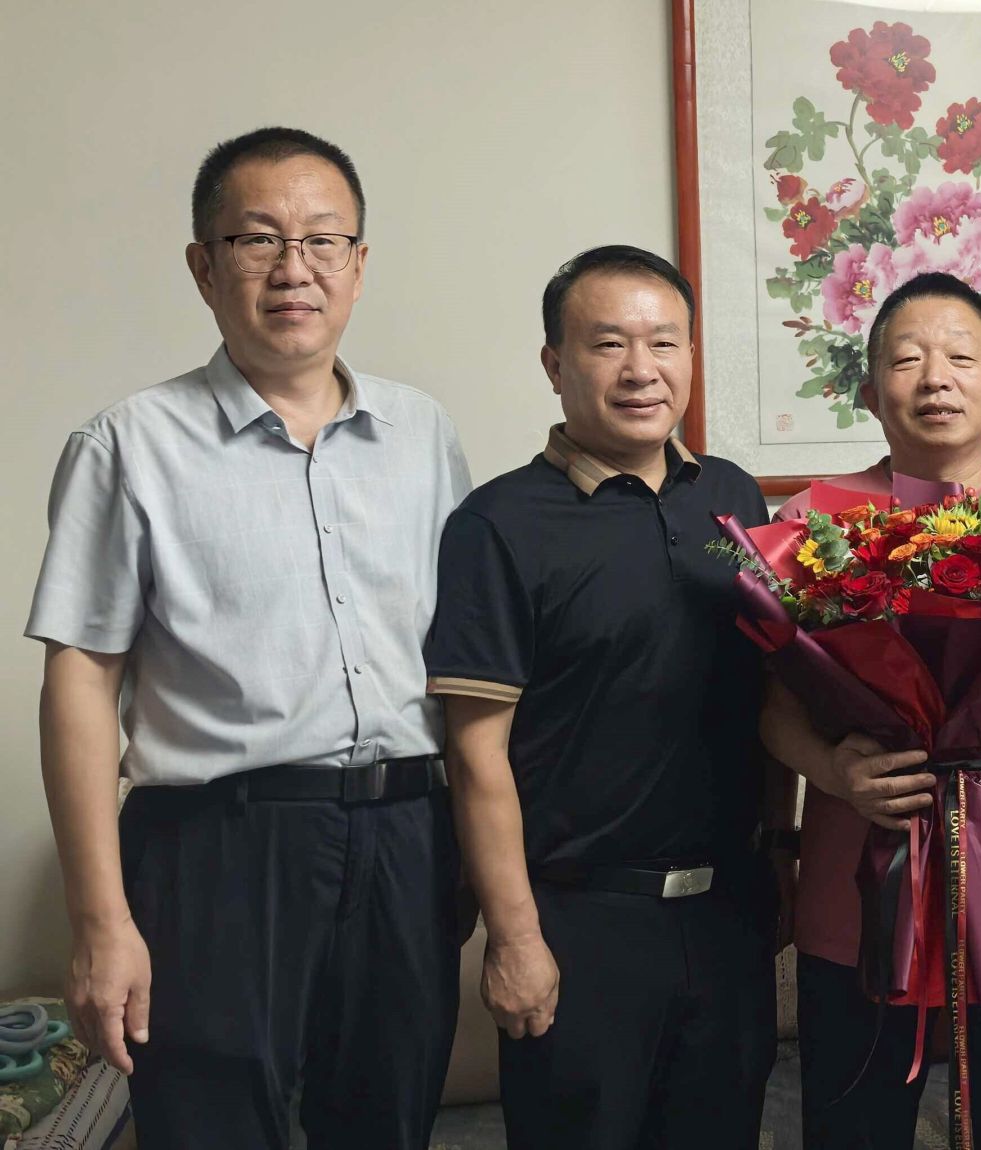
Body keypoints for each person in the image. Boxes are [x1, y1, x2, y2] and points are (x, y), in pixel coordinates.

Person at [27, 126, 471, 1149]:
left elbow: (463, 662)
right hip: (216, 849)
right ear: (203, 266)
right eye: (257, 239)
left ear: (359, 264)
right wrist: (99, 919)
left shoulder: (423, 435)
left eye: (323, 240)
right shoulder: (128, 444)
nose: (293, 268)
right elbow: (80, 680)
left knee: (390, 1124)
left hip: (409, 838)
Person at [424, 245, 777, 1150]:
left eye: (664, 342)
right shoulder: (499, 524)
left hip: (729, 914)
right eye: (608, 344)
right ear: (555, 365)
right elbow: (475, 754)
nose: (640, 369)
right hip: (578, 924)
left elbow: (772, 698)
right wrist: (514, 939)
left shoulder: (733, 499)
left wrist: (781, 859)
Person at [759, 271, 981, 1149]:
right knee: (852, 1128)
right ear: (872, 393)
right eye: (908, 360)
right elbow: (774, 709)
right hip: (860, 882)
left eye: (960, 358)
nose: (936, 378)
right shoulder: (812, 521)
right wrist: (837, 771)